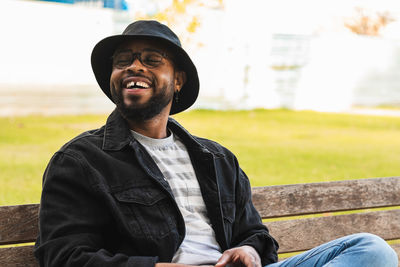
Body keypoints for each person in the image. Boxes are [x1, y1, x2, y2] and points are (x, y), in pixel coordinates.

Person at [34, 20, 398, 267]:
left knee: (370, 249)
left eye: (151, 60)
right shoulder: (81, 160)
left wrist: (249, 251)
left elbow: (255, 234)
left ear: (177, 80)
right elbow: (62, 254)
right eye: (123, 61)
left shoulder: (216, 158)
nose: (134, 67)